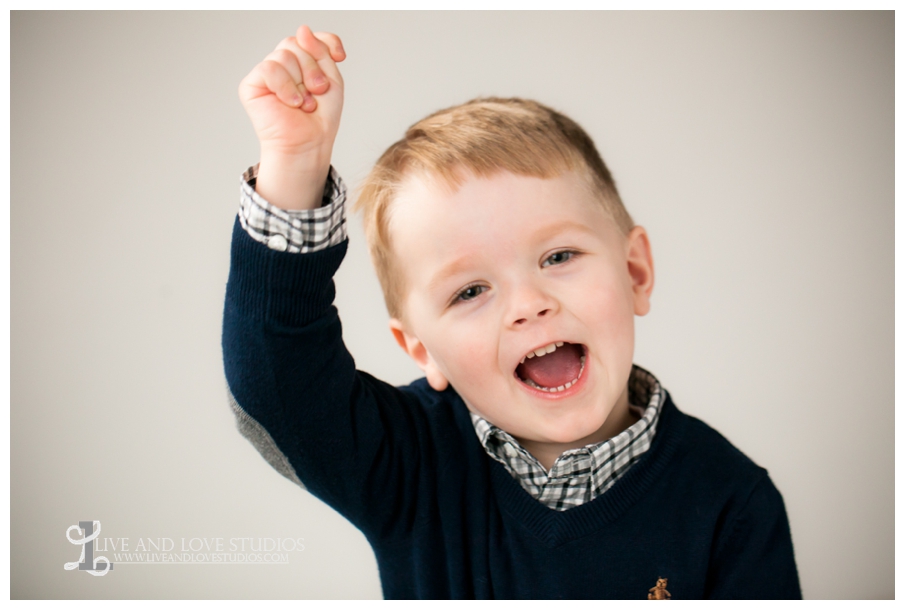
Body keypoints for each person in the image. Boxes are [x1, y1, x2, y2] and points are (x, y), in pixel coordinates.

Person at [222, 25, 801, 599]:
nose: (529, 305)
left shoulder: (731, 504)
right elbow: (278, 388)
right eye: (470, 291)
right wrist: (295, 166)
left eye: (558, 255)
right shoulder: (411, 465)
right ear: (422, 349)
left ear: (635, 273)